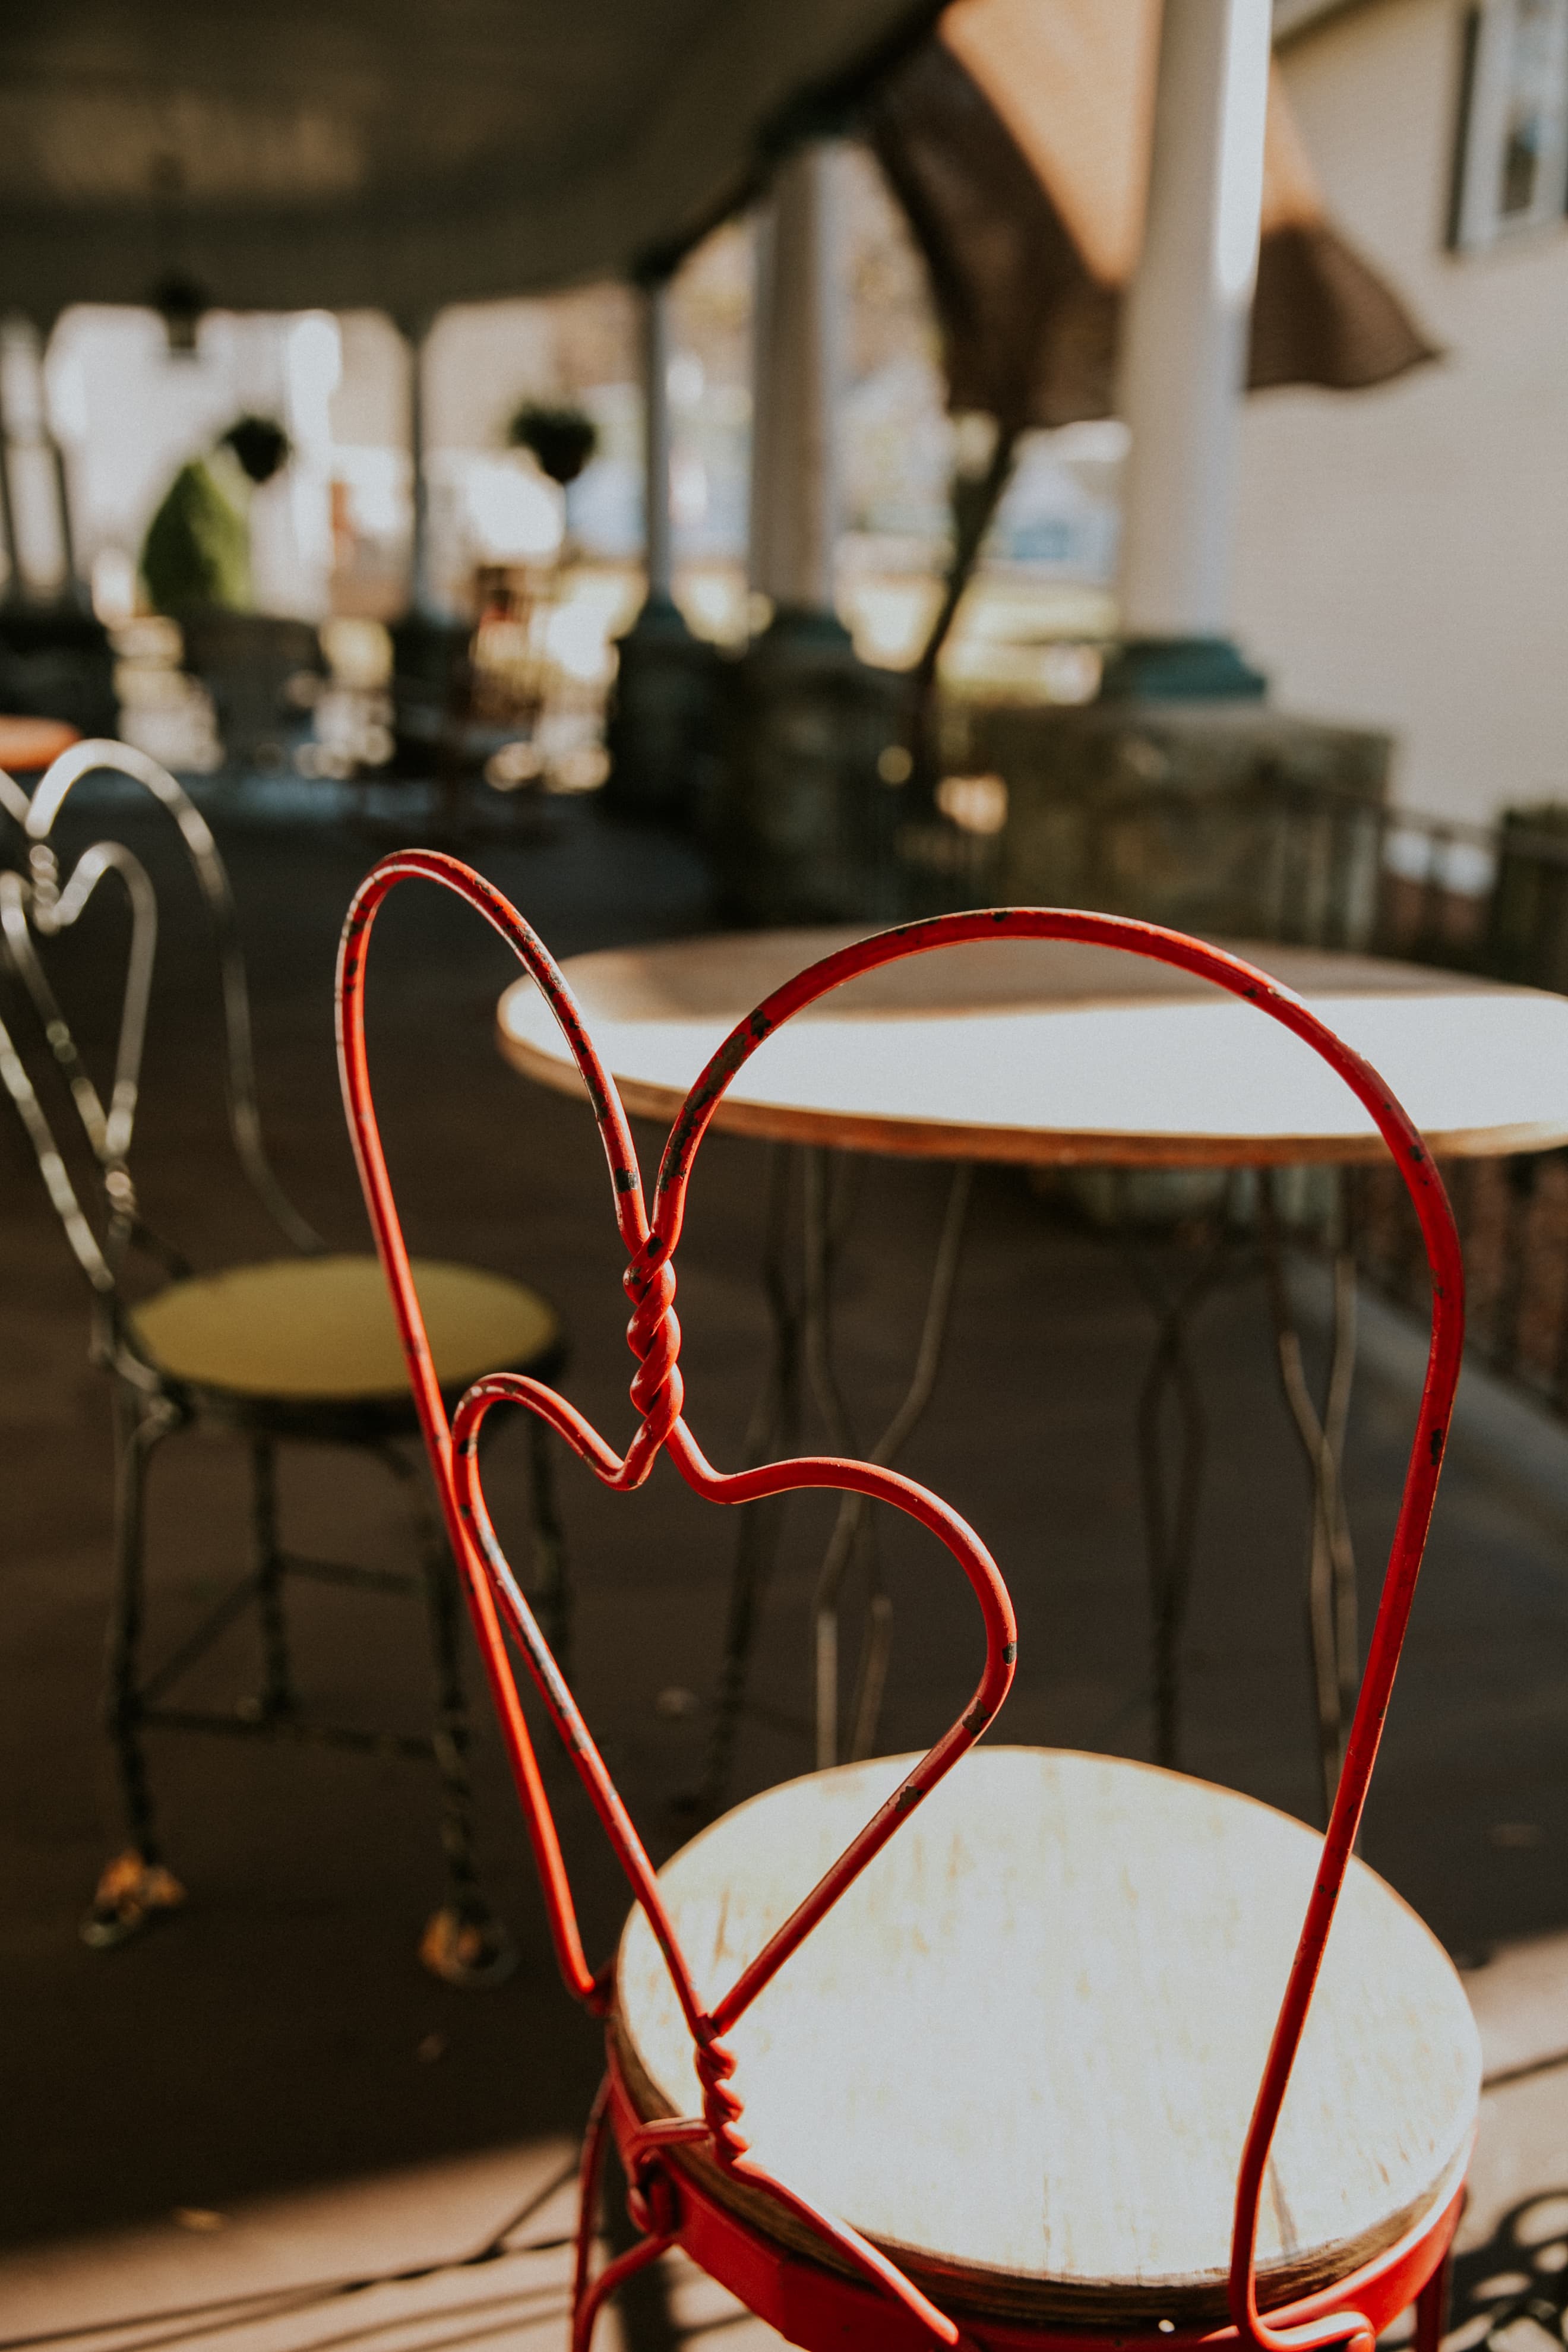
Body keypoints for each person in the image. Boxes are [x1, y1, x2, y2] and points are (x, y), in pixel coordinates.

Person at [140, 416, 292, 615]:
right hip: (197, 616)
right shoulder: (207, 486)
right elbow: (216, 572)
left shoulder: (224, 485)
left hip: (216, 617)